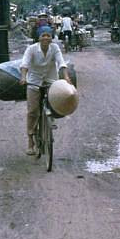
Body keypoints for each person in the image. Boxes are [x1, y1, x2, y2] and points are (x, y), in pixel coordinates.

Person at [18, 26, 72, 155]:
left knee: (56, 100)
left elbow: (61, 63)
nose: (46, 38)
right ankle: (31, 140)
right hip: (33, 81)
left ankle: (50, 120)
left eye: (48, 35)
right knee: (32, 112)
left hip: (50, 80)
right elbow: (25, 64)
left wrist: (66, 77)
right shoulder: (31, 49)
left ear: (52, 37)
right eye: (43, 35)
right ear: (39, 38)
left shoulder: (55, 48)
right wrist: (23, 77)